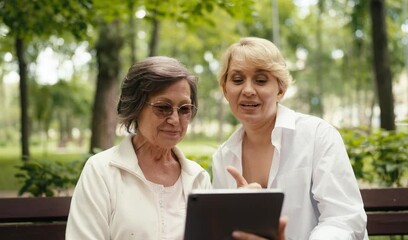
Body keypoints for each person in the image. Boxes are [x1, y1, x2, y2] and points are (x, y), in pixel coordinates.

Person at [66, 56, 286, 240]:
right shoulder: (103, 171)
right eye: (163, 107)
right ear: (135, 107)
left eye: (184, 109)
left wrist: (236, 220)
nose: (175, 119)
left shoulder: (197, 178)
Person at [212, 37, 368, 239]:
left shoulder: (318, 135)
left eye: (260, 80)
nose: (248, 90)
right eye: (237, 80)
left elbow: (344, 219)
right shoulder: (223, 157)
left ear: (280, 89)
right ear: (225, 89)